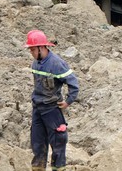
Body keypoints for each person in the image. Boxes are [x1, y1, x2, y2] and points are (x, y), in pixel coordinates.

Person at [24, 30, 79, 171]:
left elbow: (73, 83)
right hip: (38, 108)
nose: (31, 52)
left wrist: (68, 101)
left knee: (58, 142)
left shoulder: (56, 64)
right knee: (38, 142)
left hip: (52, 109)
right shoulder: (36, 63)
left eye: (32, 49)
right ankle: (38, 168)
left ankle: (58, 168)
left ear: (41, 48)